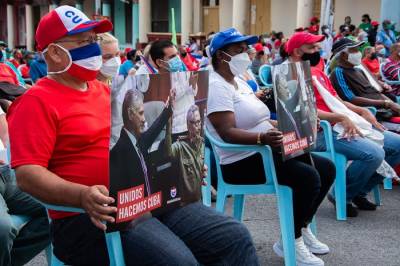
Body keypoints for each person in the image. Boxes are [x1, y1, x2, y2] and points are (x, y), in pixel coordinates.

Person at [9, 7, 259, 265]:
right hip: (91, 217)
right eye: (84, 42)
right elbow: (28, 175)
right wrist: (82, 195)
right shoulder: (35, 102)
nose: (93, 49)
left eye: (94, 40)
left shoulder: (106, 92)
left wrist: (182, 166)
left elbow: (141, 144)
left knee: (232, 237)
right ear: (53, 52)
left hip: (148, 200)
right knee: (177, 261)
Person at [207, 27, 335, 266]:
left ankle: (300, 227)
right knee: (308, 177)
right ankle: (291, 241)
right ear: (220, 55)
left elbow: (260, 119)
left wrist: (297, 123)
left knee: (326, 169)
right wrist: (261, 139)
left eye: (246, 49)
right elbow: (226, 132)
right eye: (238, 50)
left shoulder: (240, 82)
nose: (246, 55)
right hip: (241, 161)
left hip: (267, 151)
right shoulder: (216, 86)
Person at [287, 32, 400, 219]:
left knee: (396, 145)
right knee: (374, 153)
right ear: (298, 51)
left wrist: (360, 111)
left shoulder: (317, 72)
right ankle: (344, 195)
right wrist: (339, 117)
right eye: (313, 48)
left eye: (317, 47)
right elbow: (304, 114)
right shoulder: (291, 75)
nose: (318, 51)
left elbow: (337, 100)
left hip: (340, 124)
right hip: (321, 132)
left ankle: (359, 192)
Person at [0, 107, 50, 266]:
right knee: (3, 227)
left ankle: (9, 260)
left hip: (7, 172)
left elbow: (5, 132)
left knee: (62, 208)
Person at [329, 38, 400, 118]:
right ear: (343, 55)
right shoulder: (338, 73)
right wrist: (386, 103)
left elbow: (375, 92)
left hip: (386, 109)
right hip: (372, 113)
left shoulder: (359, 70)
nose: (359, 53)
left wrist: (391, 103)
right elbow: (351, 99)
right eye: (354, 50)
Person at [149, 40, 198, 136]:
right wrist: (188, 84)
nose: (177, 59)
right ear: (160, 62)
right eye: (172, 57)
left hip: (192, 124)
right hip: (176, 128)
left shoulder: (184, 72)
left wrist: (193, 84)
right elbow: (170, 100)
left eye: (177, 55)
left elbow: (194, 93)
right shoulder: (157, 80)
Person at [165, 105, 205, 204]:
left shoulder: (202, 143)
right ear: (187, 125)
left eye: (198, 122)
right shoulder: (180, 146)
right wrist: (168, 126)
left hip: (199, 199)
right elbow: (168, 152)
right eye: (193, 122)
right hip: (185, 202)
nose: (197, 126)